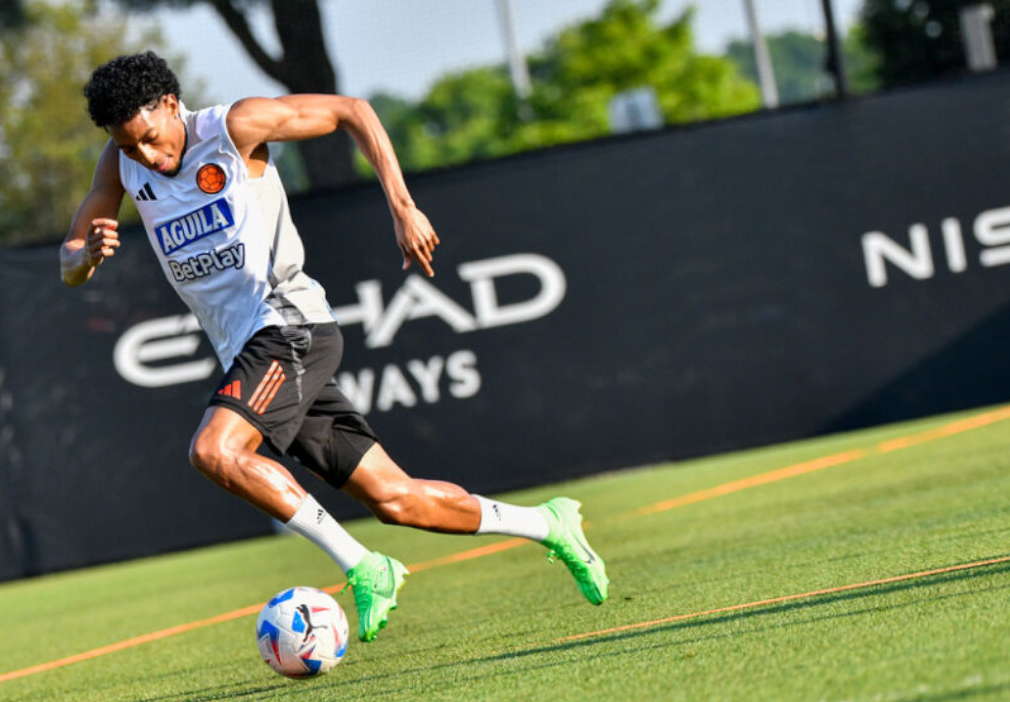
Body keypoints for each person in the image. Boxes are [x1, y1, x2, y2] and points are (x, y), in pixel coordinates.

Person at [60, 51, 608, 642]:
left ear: (170, 105)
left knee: (214, 452)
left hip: (288, 327)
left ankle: (364, 564)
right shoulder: (120, 162)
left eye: (148, 138)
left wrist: (402, 205)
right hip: (247, 347)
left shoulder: (233, 128)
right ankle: (548, 523)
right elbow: (68, 261)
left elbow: (353, 111)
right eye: (129, 145)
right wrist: (85, 255)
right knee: (396, 500)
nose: (145, 154)